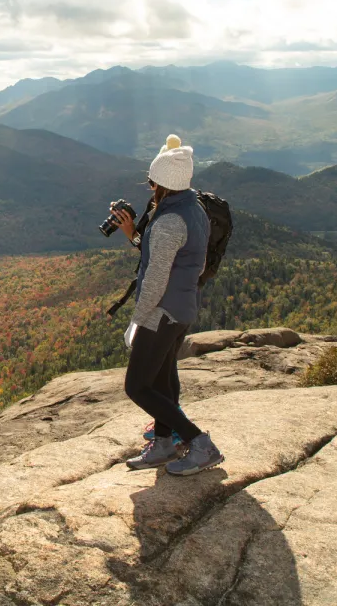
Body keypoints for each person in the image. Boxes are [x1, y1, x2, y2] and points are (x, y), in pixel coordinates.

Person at [109, 134, 225, 475]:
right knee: (162, 378)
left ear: (161, 183)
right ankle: (163, 444)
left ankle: (199, 444)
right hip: (183, 307)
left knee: (138, 386)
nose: (149, 187)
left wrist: (139, 319)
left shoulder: (170, 220)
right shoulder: (194, 208)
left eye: (151, 181)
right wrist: (134, 235)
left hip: (161, 312)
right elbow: (190, 262)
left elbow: (157, 277)